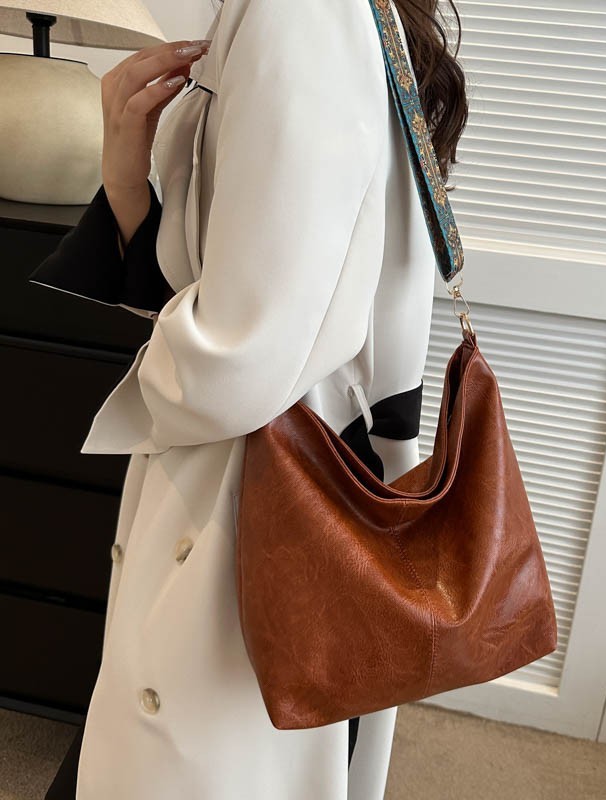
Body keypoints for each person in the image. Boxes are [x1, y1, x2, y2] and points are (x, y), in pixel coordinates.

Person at [30, 0, 468, 797]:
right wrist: (127, 177)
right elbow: (226, 288)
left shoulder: (297, 16)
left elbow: (240, 359)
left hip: (264, 496)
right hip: (274, 474)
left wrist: (163, 381)